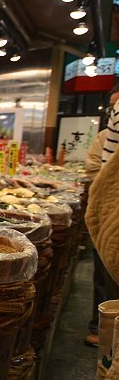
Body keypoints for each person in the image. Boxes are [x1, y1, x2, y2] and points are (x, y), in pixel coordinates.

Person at [86, 83, 119, 346]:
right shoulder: (104, 136)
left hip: (112, 213)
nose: (114, 111)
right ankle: (104, 330)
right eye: (112, 107)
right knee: (105, 277)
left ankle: (108, 336)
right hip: (112, 212)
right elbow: (94, 168)